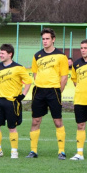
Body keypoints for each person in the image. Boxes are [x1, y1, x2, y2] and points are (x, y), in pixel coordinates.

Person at [27, 28, 69, 159]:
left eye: (47, 39)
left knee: (57, 121)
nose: (45, 41)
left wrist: (58, 91)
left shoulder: (61, 56)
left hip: (53, 91)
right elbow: (35, 73)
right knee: (35, 121)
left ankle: (61, 151)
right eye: (43, 39)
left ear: (53, 39)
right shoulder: (37, 55)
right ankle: (33, 151)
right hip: (39, 91)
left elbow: (64, 77)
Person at [0, 44, 33, 158]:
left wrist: (23, 95)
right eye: (0, 53)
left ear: (10, 54)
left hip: (12, 101)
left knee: (12, 127)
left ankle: (14, 152)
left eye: (3, 53)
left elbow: (28, 81)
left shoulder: (19, 67)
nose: (0, 55)